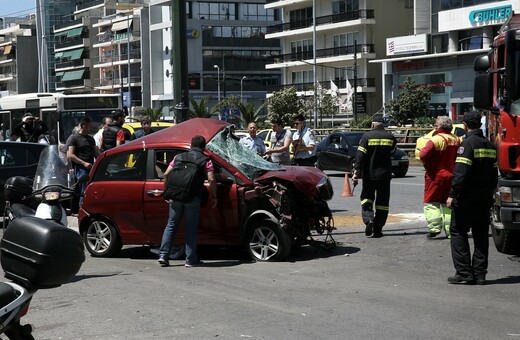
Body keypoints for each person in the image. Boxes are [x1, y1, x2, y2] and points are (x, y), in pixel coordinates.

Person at [446, 111, 498, 285]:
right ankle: (480, 274)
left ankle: (464, 273)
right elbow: (494, 175)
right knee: (481, 235)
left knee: (458, 231)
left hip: (466, 198)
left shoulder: (467, 145)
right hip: (484, 198)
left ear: (465, 126)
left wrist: (453, 194)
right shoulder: (490, 146)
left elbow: (460, 174)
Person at [158, 135, 217, 268]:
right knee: (191, 228)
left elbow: (166, 174)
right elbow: (211, 179)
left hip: (175, 196)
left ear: (191, 145)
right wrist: (214, 196)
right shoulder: (206, 160)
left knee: (171, 225)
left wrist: (168, 192)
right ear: (204, 147)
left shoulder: (178, 157)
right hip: (192, 197)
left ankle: (163, 256)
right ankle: (190, 259)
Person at [351, 116, 397, 238]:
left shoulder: (367, 137)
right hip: (385, 175)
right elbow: (392, 152)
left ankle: (369, 220)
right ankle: (378, 228)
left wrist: (356, 171)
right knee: (382, 202)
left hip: (369, 175)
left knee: (367, 198)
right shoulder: (390, 137)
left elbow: (360, 155)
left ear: (372, 125)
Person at [420, 116, 461, 239]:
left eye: (436, 124)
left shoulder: (435, 140)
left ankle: (434, 228)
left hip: (435, 176)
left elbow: (423, 154)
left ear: (441, 126)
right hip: (453, 176)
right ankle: (450, 230)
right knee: (448, 204)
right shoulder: (458, 140)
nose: (434, 125)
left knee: (431, 203)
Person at [67, 117, 100, 213]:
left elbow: (96, 153)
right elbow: (71, 155)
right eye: (89, 126)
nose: (91, 128)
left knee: (89, 188)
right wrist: (83, 163)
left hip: (91, 167)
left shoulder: (91, 139)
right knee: (83, 189)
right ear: (83, 126)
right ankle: (81, 210)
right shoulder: (74, 138)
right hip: (81, 168)